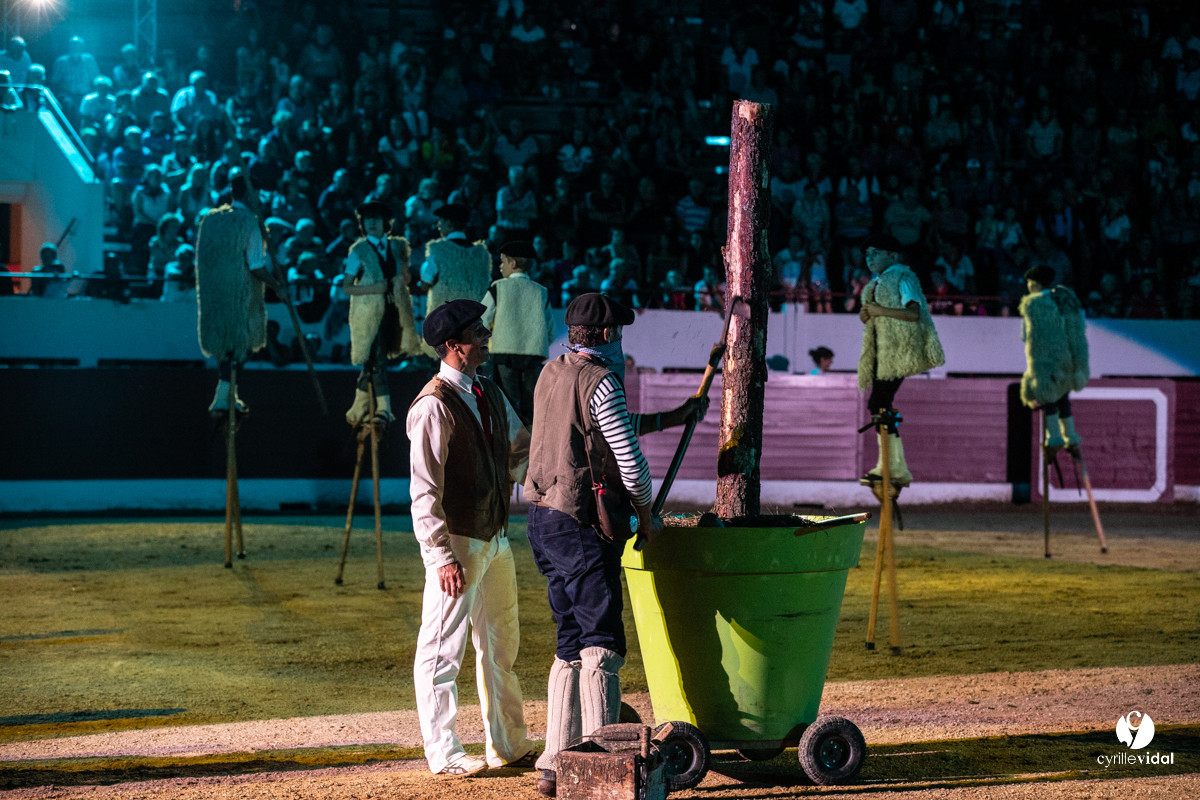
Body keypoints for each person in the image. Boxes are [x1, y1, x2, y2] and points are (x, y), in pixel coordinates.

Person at [523, 293, 710, 798]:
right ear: (606, 336)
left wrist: (676, 416)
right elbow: (630, 463)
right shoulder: (604, 380)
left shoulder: (550, 372)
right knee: (602, 643)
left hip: (542, 519)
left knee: (570, 641)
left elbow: (598, 431)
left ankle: (552, 764)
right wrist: (647, 516)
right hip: (583, 524)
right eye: (619, 332)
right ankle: (596, 762)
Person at [405, 299, 536, 778]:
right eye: (477, 331)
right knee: (442, 649)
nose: (485, 335)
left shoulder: (487, 391)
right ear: (452, 346)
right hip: (459, 541)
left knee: (501, 645)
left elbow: (521, 452)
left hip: (493, 536)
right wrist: (440, 557)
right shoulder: (433, 406)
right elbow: (424, 493)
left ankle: (508, 742)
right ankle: (443, 751)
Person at [856, 233, 945, 487]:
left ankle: (890, 465)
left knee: (879, 403)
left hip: (897, 351)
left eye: (876, 252)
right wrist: (868, 316)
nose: (869, 258)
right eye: (867, 254)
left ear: (892, 255)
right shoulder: (878, 282)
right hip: (882, 352)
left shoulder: (902, 277)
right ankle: (895, 466)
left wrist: (878, 311)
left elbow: (913, 313)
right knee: (881, 404)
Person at [195, 173, 278, 416]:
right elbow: (255, 265)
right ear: (250, 194)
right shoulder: (249, 222)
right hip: (240, 297)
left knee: (225, 347)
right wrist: (277, 286)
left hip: (215, 296)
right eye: (258, 194)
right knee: (239, 347)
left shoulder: (210, 220)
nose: (260, 199)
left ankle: (227, 395)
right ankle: (223, 397)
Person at [342, 201, 420, 426]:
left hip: (393, 310)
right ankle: (384, 409)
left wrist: (403, 275)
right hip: (368, 313)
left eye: (376, 219)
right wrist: (376, 288)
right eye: (368, 219)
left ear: (386, 223)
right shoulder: (359, 250)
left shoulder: (397, 247)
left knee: (375, 359)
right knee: (376, 358)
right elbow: (348, 287)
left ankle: (359, 405)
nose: (372, 223)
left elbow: (406, 278)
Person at [480, 240, 552, 426]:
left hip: (503, 354)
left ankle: (511, 446)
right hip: (533, 356)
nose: (501, 266)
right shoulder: (541, 292)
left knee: (507, 404)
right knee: (532, 405)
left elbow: (482, 320)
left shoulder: (498, 287)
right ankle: (530, 446)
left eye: (502, 261)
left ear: (512, 263)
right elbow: (550, 330)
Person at [1019, 265, 1089, 449]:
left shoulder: (1032, 304)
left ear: (1035, 283)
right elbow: (1075, 330)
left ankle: (1055, 436)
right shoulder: (1064, 298)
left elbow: (1026, 336)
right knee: (1063, 398)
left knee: (1048, 398)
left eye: (1029, 282)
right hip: (1065, 358)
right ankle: (1071, 435)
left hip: (1044, 360)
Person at [421, 202, 492, 319]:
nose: (438, 225)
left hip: (447, 319)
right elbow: (486, 282)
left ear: (449, 223)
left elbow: (425, 282)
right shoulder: (481, 254)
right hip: (473, 318)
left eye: (440, 221)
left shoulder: (438, 250)